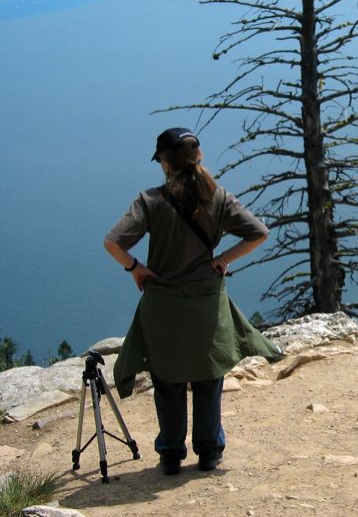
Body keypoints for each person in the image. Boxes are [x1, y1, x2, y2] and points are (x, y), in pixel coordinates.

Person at [105, 127, 282, 476]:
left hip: (163, 306)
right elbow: (259, 232)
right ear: (198, 157)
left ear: (165, 163)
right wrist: (224, 258)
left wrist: (136, 268)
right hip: (206, 304)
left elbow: (112, 242)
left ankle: (171, 454)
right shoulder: (219, 198)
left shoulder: (150, 200)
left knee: (167, 380)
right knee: (207, 377)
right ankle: (209, 452)